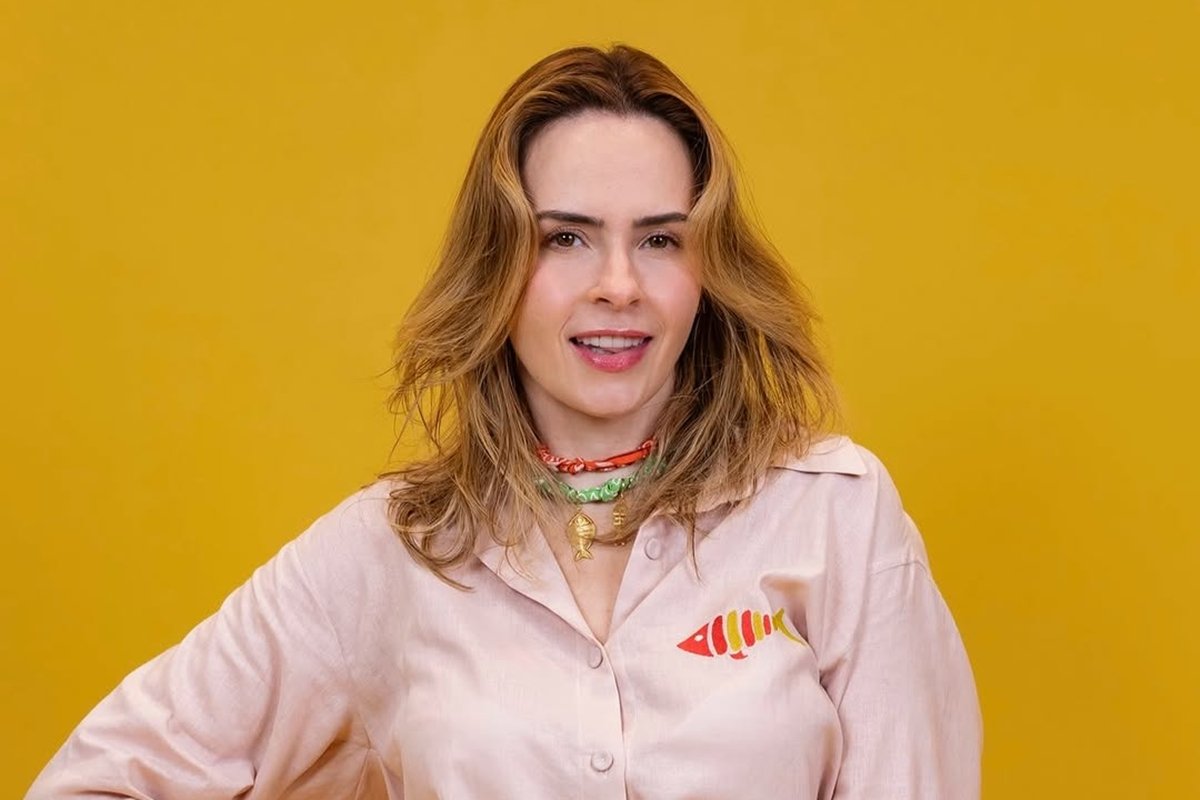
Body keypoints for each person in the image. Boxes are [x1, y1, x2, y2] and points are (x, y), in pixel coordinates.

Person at [27, 44, 981, 799]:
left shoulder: (835, 514)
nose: (619, 286)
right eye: (565, 238)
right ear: (496, 267)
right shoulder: (389, 553)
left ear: (708, 272)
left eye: (660, 239)